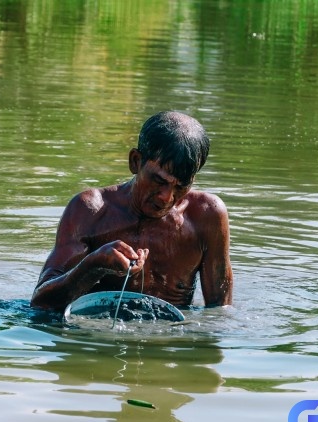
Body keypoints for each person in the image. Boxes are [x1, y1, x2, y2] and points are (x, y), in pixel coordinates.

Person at [31, 111, 232, 311]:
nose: (167, 197)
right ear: (135, 161)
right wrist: (93, 266)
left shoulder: (207, 216)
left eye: (181, 186)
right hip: (97, 334)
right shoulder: (90, 211)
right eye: (158, 180)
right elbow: (41, 302)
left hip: (171, 337)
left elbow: (220, 312)